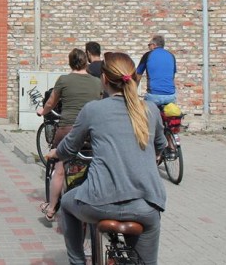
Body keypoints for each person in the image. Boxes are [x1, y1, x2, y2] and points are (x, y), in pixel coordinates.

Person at [48, 52, 167, 265]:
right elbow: (160, 146)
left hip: (98, 202)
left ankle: (77, 261)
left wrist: (55, 153)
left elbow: (70, 146)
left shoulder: (93, 109)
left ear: (104, 79)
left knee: (66, 203)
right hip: (146, 206)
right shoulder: (150, 110)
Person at [36, 48, 102, 221]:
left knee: (59, 168)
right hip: (91, 132)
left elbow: (51, 102)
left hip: (68, 129)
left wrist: (43, 111)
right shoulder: (97, 82)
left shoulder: (64, 80)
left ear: (70, 62)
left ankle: (51, 208)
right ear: (86, 62)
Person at [137, 34, 177, 106]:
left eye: (149, 45)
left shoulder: (148, 55)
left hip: (153, 95)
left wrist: (133, 91)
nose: (149, 47)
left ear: (154, 45)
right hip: (170, 96)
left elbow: (138, 75)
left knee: (146, 112)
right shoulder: (171, 56)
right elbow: (172, 76)